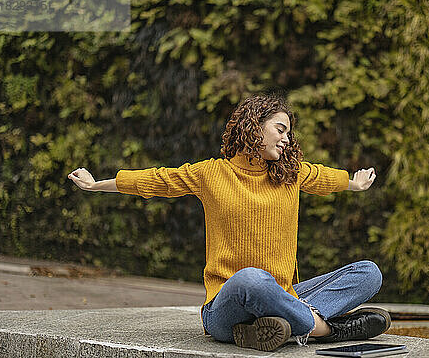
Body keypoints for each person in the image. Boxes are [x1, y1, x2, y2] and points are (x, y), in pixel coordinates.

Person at [68, 93, 391, 351]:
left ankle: (276, 327)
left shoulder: (290, 175)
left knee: (367, 273)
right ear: (253, 126)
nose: (287, 140)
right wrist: (98, 185)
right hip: (225, 308)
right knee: (251, 279)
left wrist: (353, 182)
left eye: (289, 134)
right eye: (280, 130)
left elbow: (324, 177)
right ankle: (325, 329)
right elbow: (159, 180)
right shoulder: (211, 173)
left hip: (283, 294)